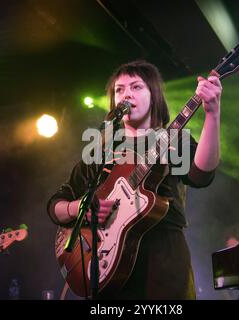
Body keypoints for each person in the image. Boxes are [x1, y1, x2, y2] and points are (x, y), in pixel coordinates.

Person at [47, 60, 222, 299]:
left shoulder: (173, 140)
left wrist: (212, 114)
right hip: (108, 268)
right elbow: (55, 205)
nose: (126, 93)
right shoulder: (103, 149)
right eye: (119, 90)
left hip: (163, 259)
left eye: (136, 87)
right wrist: (79, 208)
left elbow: (201, 176)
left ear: (154, 95)